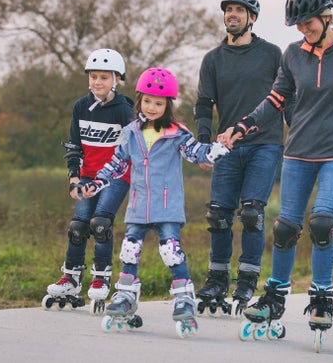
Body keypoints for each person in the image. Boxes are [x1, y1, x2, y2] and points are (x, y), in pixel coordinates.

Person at [220, 0, 333, 345]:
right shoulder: (293, 53)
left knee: (322, 222)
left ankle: (322, 298)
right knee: (284, 228)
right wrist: (243, 126)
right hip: (297, 151)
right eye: (298, 25)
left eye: (308, 23)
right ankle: (275, 296)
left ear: (327, 17)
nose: (303, 30)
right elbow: (276, 99)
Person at [84, 67, 230, 337]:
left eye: (159, 103)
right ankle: (125, 295)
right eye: (148, 101)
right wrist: (95, 183)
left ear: (168, 105)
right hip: (138, 206)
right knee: (129, 249)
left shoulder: (177, 134)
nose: (152, 107)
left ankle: (184, 296)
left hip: (167, 206)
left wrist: (217, 150)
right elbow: (115, 164)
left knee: (170, 251)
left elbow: (196, 153)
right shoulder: (130, 132)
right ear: (139, 101)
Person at [193, 0, 284, 316]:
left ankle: (246, 281)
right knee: (218, 214)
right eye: (228, 10)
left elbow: (288, 98)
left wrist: (299, 137)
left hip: (266, 144)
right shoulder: (213, 59)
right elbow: (204, 104)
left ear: (252, 18)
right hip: (227, 147)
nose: (231, 15)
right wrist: (204, 144)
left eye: (239, 11)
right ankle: (217, 279)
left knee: (251, 213)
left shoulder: (273, 55)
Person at [42, 48, 135, 315]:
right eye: (94, 76)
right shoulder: (80, 107)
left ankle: (101, 277)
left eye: (104, 77)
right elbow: (74, 146)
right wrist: (74, 178)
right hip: (87, 176)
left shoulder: (124, 110)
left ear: (116, 79)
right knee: (78, 226)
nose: (97, 82)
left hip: (116, 176)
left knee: (101, 223)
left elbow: (133, 147)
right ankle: (71, 279)